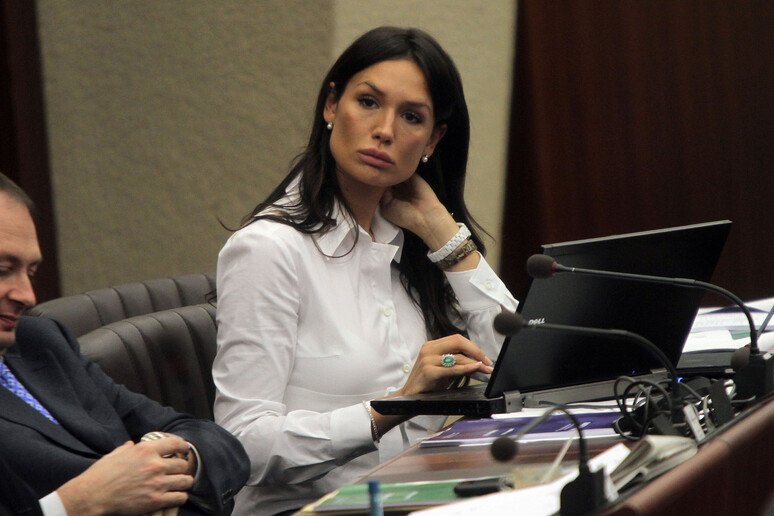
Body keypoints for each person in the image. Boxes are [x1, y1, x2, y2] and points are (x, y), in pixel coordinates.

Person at [212, 26, 518, 515]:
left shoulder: (414, 245)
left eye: (412, 116)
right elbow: (241, 446)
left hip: (417, 497)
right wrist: (394, 406)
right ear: (332, 105)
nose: (385, 130)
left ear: (433, 139)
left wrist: (443, 233)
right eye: (369, 102)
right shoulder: (268, 250)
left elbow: (522, 371)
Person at [0, 172, 250, 515]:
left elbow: (214, 441)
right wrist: (76, 504)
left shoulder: (37, 342)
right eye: (3, 269)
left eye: (30, 272)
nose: (27, 296)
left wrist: (166, 467)